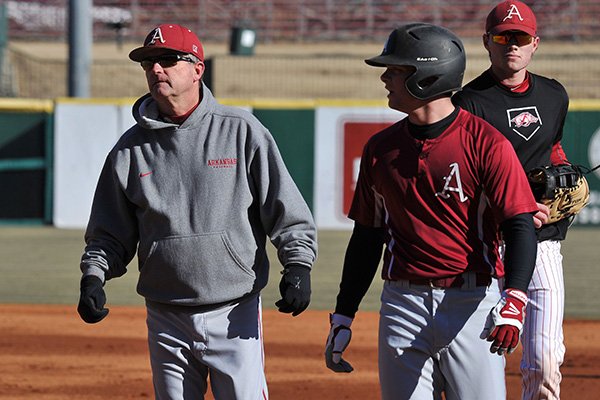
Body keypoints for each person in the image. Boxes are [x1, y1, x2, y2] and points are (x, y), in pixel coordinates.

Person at [76, 23, 317, 400]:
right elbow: (109, 232)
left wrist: (298, 265)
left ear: (197, 69)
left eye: (168, 60)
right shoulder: (129, 150)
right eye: (149, 63)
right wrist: (94, 275)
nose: (156, 69)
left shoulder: (242, 131)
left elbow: (286, 210)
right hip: (165, 314)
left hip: (234, 311)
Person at [324, 22, 539, 400]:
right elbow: (367, 236)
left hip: (471, 305)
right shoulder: (381, 149)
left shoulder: (487, 143)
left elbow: (520, 224)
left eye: (396, 70)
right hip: (401, 305)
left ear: (426, 76)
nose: (386, 78)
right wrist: (344, 313)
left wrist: (515, 300)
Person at [452, 2, 570, 398]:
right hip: (489, 244)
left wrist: (561, 181)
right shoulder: (468, 103)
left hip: (544, 240)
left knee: (545, 359)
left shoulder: (554, 95)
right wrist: (514, 210)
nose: (511, 45)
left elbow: (553, 148)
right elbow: (464, 176)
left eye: (520, 38)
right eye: (503, 37)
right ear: (487, 42)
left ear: (535, 43)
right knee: (476, 357)